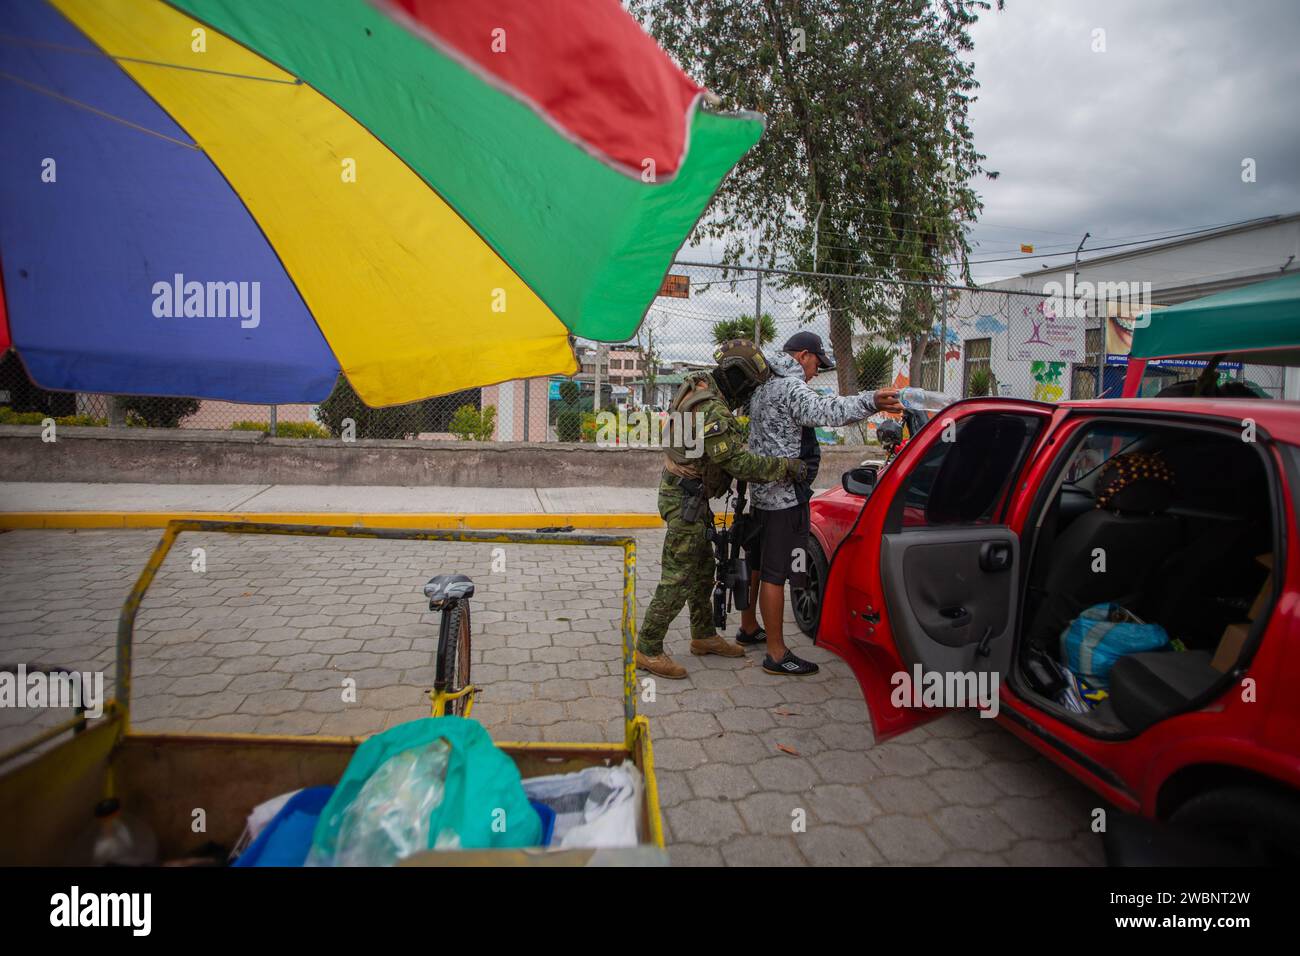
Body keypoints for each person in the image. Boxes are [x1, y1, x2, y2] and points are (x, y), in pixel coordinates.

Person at [637, 340, 808, 680]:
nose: (748, 394)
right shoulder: (712, 408)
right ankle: (648, 647)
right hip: (685, 499)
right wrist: (786, 467)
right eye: (748, 385)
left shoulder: (699, 382)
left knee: (703, 569)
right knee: (679, 575)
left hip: (687, 495)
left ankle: (703, 636)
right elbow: (738, 462)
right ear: (735, 377)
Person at [736, 331, 902, 675]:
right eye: (816, 363)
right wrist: (871, 400)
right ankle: (777, 655)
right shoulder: (790, 387)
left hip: (761, 493)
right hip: (785, 497)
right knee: (774, 573)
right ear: (802, 356)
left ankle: (748, 627)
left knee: (755, 563)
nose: (815, 372)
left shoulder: (761, 386)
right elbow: (829, 411)